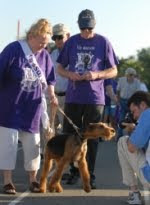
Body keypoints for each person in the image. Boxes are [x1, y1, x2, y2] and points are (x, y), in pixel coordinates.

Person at [57, 9, 118, 189]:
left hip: (95, 98)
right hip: (74, 97)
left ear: (94, 25)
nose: (86, 32)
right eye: (83, 28)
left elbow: (114, 70)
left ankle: (88, 174)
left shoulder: (103, 41)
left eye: (89, 28)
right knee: (70, 135)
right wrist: (70, 74)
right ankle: (74, 171)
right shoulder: (72, 42)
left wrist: (97, 74)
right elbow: (59, 68)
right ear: (78, 25)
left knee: (92, 137)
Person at [0, 18, 58, 194]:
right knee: (7, 144)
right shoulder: (13, 49)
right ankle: (8, 180)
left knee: (33, 144)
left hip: (32, 109)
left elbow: (50, 78)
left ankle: (33, 179)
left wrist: (52, 94)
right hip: (10, 106)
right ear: (31, 36)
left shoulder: (45, 56)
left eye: (46, 43)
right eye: (41, 42)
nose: (43, 46)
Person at [118, 91, 150, 205]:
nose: (134, 116)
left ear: (142, 105)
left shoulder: (147, 115)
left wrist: (133, 132)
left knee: (123, 141)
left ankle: (134, 194)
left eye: (134, 112)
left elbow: (131, 148)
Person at [51, 23, 70, 133]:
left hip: (68, 98)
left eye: (60, 37)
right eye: (55, 38)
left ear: (68, 35)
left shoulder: (74, 53)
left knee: (66, 131)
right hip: (53, 97)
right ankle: (46, 151)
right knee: (48, 130)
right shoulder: (52, 54)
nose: (57, 40)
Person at [117, 67, 141, 139]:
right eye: (130, 74)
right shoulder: (121, 80)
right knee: (121, 118)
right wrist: (118, 100)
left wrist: (136, 104)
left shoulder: (137, 82)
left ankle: (132, 137)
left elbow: (137, 93)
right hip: (123, 101)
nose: (131, 76)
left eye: (133, 75)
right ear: (126, 75)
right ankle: (119, 136)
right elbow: (118, 90)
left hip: (132, 102)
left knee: (133, 119)